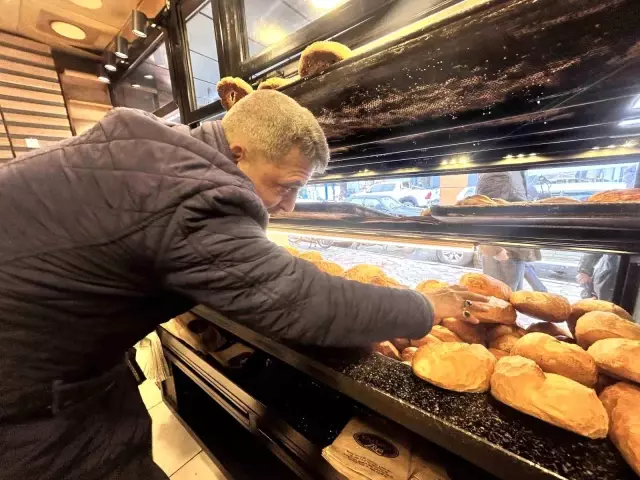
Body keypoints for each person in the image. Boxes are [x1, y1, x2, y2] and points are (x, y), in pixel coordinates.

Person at [0, 90, 489, 480]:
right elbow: (305, 303)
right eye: (285, 185)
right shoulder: (192, 192)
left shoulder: (151, 151)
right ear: (237, 153)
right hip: (26, 395)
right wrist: (429, 304)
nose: (290, 206)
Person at [475, 171, 546, 291]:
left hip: (514, 247)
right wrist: (495, 249)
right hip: (504, 249)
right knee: (500, 297)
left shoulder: (512, 167)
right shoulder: (498, 170)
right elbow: (486, 209)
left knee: (511, 296)